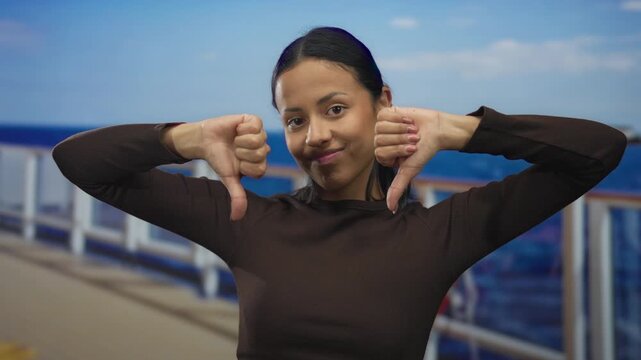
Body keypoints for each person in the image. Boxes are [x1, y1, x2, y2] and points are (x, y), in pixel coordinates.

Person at [52, 26, 627, 359]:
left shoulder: (439, 232)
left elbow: (599, 151)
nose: (315, 135)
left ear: (382, 102)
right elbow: (80, 161)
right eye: (295, 119)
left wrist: (465, 129)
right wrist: (188, 138)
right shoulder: (245, 217)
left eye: (334, 109)